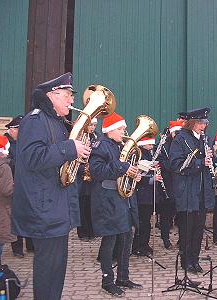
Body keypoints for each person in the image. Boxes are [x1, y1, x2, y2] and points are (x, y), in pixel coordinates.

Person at [11, 72, 91, 300]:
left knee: (56, 270)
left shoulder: (55, 122)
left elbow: (56, 158)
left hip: (55, 209)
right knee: (48, 273)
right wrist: (69, 149)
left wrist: (77, 153)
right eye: (67, 95)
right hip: (45, 210)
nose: (72, 100)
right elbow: (32, 158)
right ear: (52, 95)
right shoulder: (35, 120)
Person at [89, 112, 142, 297]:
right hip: (108, 199)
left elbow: (124, 169)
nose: (124, 131)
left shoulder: (120, 146)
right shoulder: (101, 146)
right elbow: (97, 171)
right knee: (110, 240)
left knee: (127, 238)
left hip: (122, 199)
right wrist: (123, 168)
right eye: (121, 128)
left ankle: (123, 277)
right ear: (110, 130)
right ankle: (107, 280)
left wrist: (134, 174)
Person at [169, 108, 215, 274]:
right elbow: (175, 164)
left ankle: (194, 259)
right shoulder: (180, 139)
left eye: (204, 123)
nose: (202, 126)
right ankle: (185, 261)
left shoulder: (205, 139)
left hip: (202, 192)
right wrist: (200, 163)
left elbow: (208, 162)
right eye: (199, 123)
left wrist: (212, 159)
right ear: (191, 123)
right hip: (187, 191)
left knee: (198, 229)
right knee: (187, 229)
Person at [4, 115, 34, 258]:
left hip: (25, 183)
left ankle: (30, 244)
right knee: (16, 217)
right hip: (12, 184)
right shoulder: (5, 143)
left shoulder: (23, 141)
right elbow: (7, 164)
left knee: (28, 215)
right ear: (13, 129)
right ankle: (17, 248)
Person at [132, 137, 162, 256]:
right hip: (142, 194)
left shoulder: (149, 154)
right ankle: (138, 246)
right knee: (142, 222)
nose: (151, 146)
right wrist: (151, 178)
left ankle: (144, 243)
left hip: (149, 193)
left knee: (146, 222)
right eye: (149, 144)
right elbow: (138, 175)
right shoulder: (138, 154)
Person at [158, 120, 182, 249]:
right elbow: (160, 162)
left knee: (181, 213)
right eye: (175, 132)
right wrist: (174, 166)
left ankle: (182, 239)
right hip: (168, 183)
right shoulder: (163, 146)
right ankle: (165, 238)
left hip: (181, 184)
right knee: (166, 214)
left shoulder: (184, 144)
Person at [77, 118, 99, 241]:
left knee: (91, 205)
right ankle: (83, 232)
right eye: (90, 125)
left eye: (94, 125)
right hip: (81, 177)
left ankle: (92, 230)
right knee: (82, 206)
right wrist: (83, 168)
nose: (92, 128)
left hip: (92, 177)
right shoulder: (80, 137)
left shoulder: (97, 137)